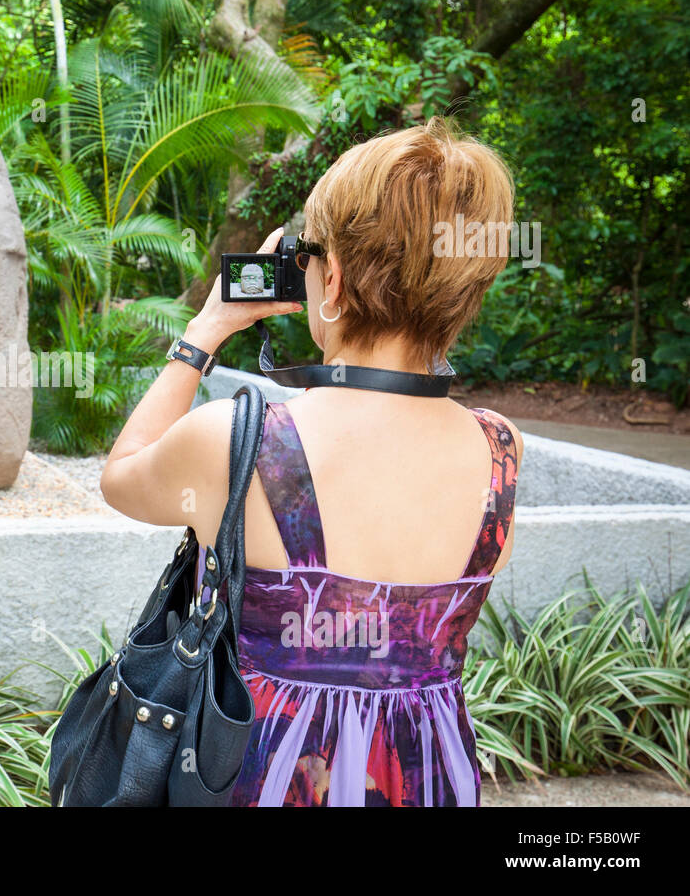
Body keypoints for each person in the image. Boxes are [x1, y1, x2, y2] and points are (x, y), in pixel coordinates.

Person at [99, 117, 523, 806]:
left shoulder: (242, 441)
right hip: (427, 775)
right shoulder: (500, 448)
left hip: (268, 775)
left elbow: (121, 478)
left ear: (335, 282)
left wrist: (205, 331)